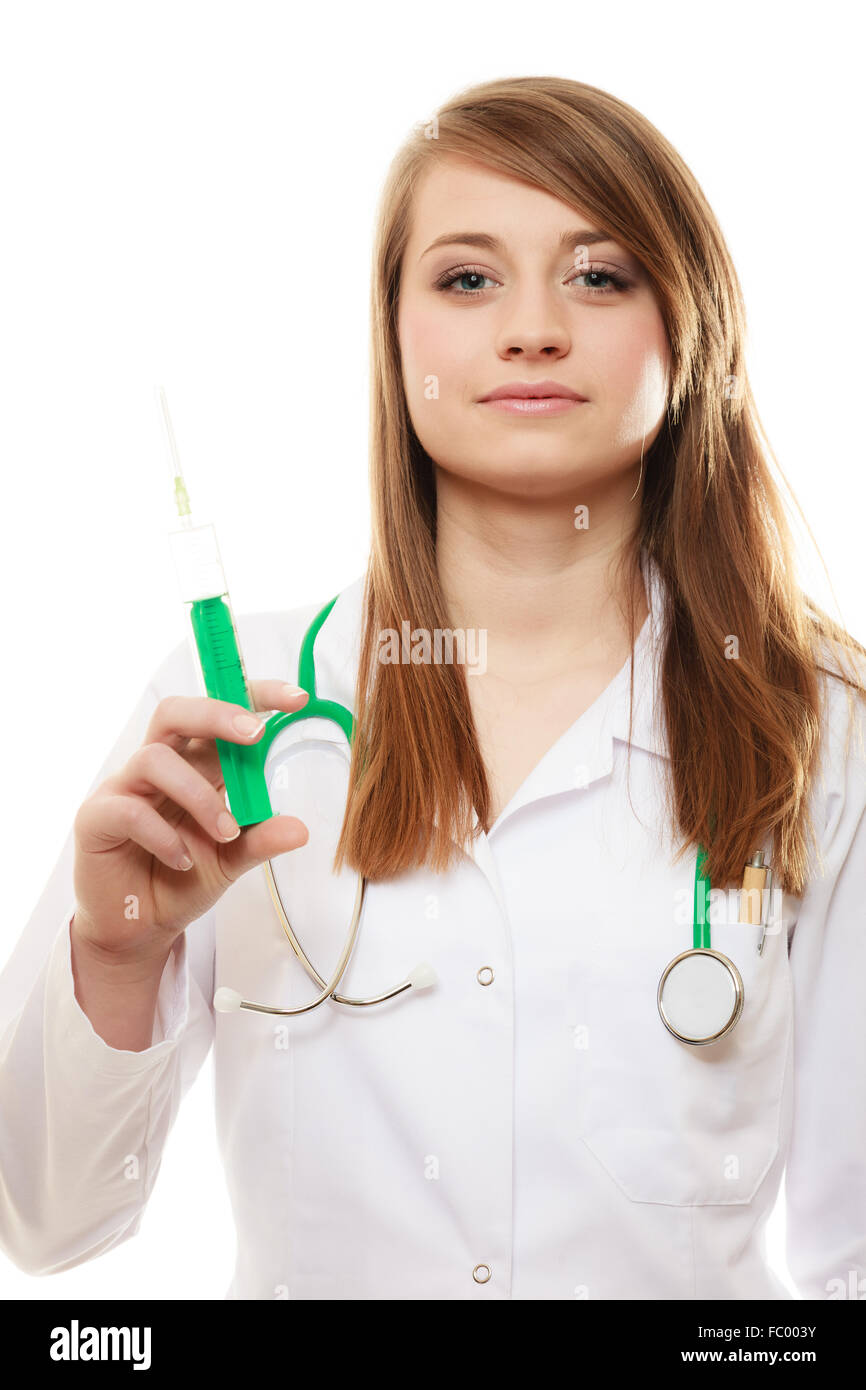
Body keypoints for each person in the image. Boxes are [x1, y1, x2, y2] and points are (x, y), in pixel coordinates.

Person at [1, 74, 865, 1301]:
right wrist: (118, 951)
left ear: (689, 326)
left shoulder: (820, 722)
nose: (529, 328)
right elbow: (44, 1224)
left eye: (597, 274)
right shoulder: (235, 711)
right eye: (466, 278)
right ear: (394, 332)